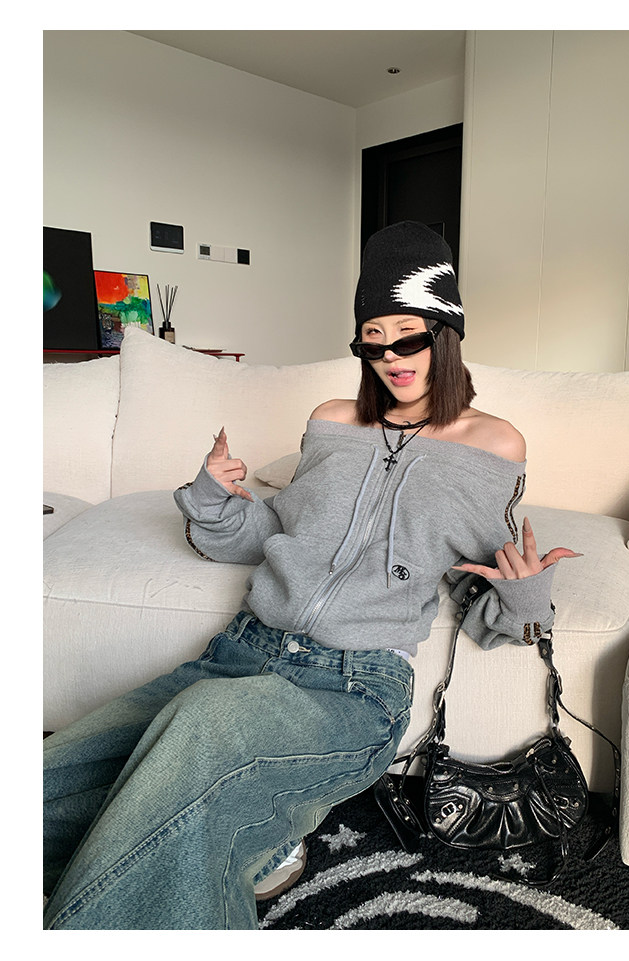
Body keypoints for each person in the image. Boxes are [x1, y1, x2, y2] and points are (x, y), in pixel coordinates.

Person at [43, 222, 577, 930]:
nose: (390, 357)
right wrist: (212, 498)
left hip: (353, 688)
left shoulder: (494, 443)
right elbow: (268, 535)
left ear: (445, 332)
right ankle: (256, 831)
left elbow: (492, 605)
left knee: (204, 728)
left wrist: (525, 592)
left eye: (408, 336)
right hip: (237, 656)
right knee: (48, 784)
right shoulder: (332, 419)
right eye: (372, 340)